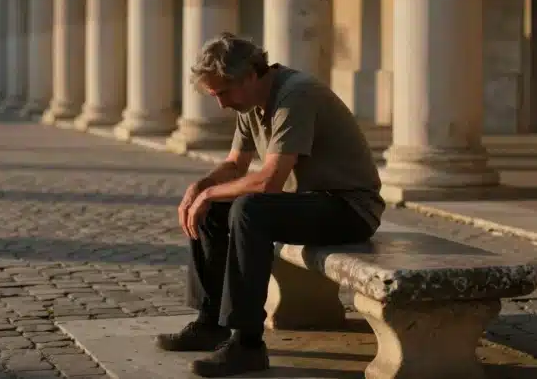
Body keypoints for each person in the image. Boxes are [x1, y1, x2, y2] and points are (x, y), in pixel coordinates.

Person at [158, 32, 385, 378]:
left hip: (350, 208)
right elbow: (236, 164)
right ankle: (210, 322)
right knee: (213, 212)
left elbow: (269, 180)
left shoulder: (296, 94)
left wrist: (210, 194)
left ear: (250, 74)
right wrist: (200, 187)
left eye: (223, 93)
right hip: (307, 203)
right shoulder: (250, 102)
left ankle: (247, 344)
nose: (221, 104)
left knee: (248, 210)